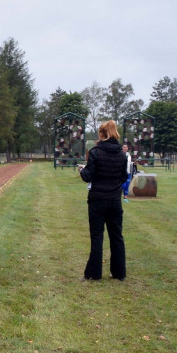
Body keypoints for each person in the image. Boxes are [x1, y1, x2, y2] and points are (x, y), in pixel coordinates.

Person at [78, 120, 128, 281]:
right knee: (116, 236)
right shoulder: (122, 154)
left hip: (98, 200)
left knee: (97, 236)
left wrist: (81, 170)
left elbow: (88, 176)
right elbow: (124, 177)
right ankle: (119, 273)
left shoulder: (96, 152)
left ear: (102, 134)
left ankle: (94, 273)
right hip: (115, 200)